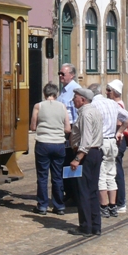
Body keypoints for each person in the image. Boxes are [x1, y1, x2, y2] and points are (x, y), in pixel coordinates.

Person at [30, 82, 72, 215]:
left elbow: (33, 127)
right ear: (56, 94)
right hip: (59, 144)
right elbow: (67, 128)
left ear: (44, 94)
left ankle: (42, 206)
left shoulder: (38, 106)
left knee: (42, 176)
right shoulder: (62, 106)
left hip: (43, 143)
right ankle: (59, 206)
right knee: (57, 176)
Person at [90, 83, 128, 219]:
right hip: (112, 142)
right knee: (111, 174)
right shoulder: (112, 103)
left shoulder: (93, 105)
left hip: (100, 142)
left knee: (101, 176)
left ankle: (103, 206)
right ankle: (113, 206)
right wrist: (119, 132)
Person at [68, 87, 103, 236]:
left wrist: (77, 158)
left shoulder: (85, 113)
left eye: (75, 97)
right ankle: (96, 225)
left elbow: (86, 139)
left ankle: (85, 226)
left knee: (83, 191)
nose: (73, 100)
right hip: (95, 153)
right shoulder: (95, 111)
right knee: (93, 190)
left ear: (82, 99)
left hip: (86, 155)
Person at [57, 64, 80, 206]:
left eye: (63, 74)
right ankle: (68, 193)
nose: (60, 76)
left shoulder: (75, 90)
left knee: (70, 163)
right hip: (63, 130)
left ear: (72, 75)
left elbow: (77, 115)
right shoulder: (64, 90)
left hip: (70, 131)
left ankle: (74, 195)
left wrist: (73, 135)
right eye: (59, 73)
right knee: (64, 163)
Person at [107, 79, 128, 213]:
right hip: (117, 140)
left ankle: (120, 202)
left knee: (116, 171)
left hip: (118, 141)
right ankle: (117, 201)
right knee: (114, 170)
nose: (106, 93)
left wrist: (119, 132)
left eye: (109, 90)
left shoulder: (117, 105)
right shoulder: (116, 103)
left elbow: (119, 122)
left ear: (115, 92)